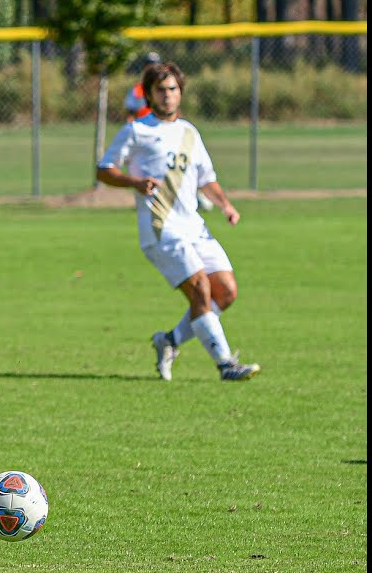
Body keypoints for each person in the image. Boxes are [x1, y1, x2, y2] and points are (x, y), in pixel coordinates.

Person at [95, 60, 261, 383]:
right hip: (161, 229)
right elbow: (104, 169)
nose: (168, 95)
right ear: (149, 95)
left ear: (180, 92)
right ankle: (226, 364)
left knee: (225, 291)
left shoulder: (189, 133)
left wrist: (226, 205)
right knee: (200, 287)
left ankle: (168, 341)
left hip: (193, 226)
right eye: (161, 90)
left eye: (172, 89)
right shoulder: (138, 131)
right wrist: (134, 182)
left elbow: (206, 179)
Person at [125, 52, 213, 211]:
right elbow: (130, 112)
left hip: (165, 129)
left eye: (154, 64)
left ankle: (193, 195)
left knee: (180, 163)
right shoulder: (138, 90)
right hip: (146, 131)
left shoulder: (167, 85)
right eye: (148, 64)